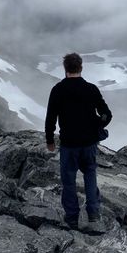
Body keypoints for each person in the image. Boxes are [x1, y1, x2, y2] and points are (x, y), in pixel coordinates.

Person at [45, 52, 112, 229]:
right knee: (90, 176)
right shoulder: (91, 89)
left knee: (68, 181)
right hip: (89, 144)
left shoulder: (58, 90)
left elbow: (51, 117)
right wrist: (98, 124)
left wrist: (50, 140)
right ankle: (94, 217)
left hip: (69, 144)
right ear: (81, 68)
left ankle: (72, 218)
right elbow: (107, 114)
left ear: (65, 69)